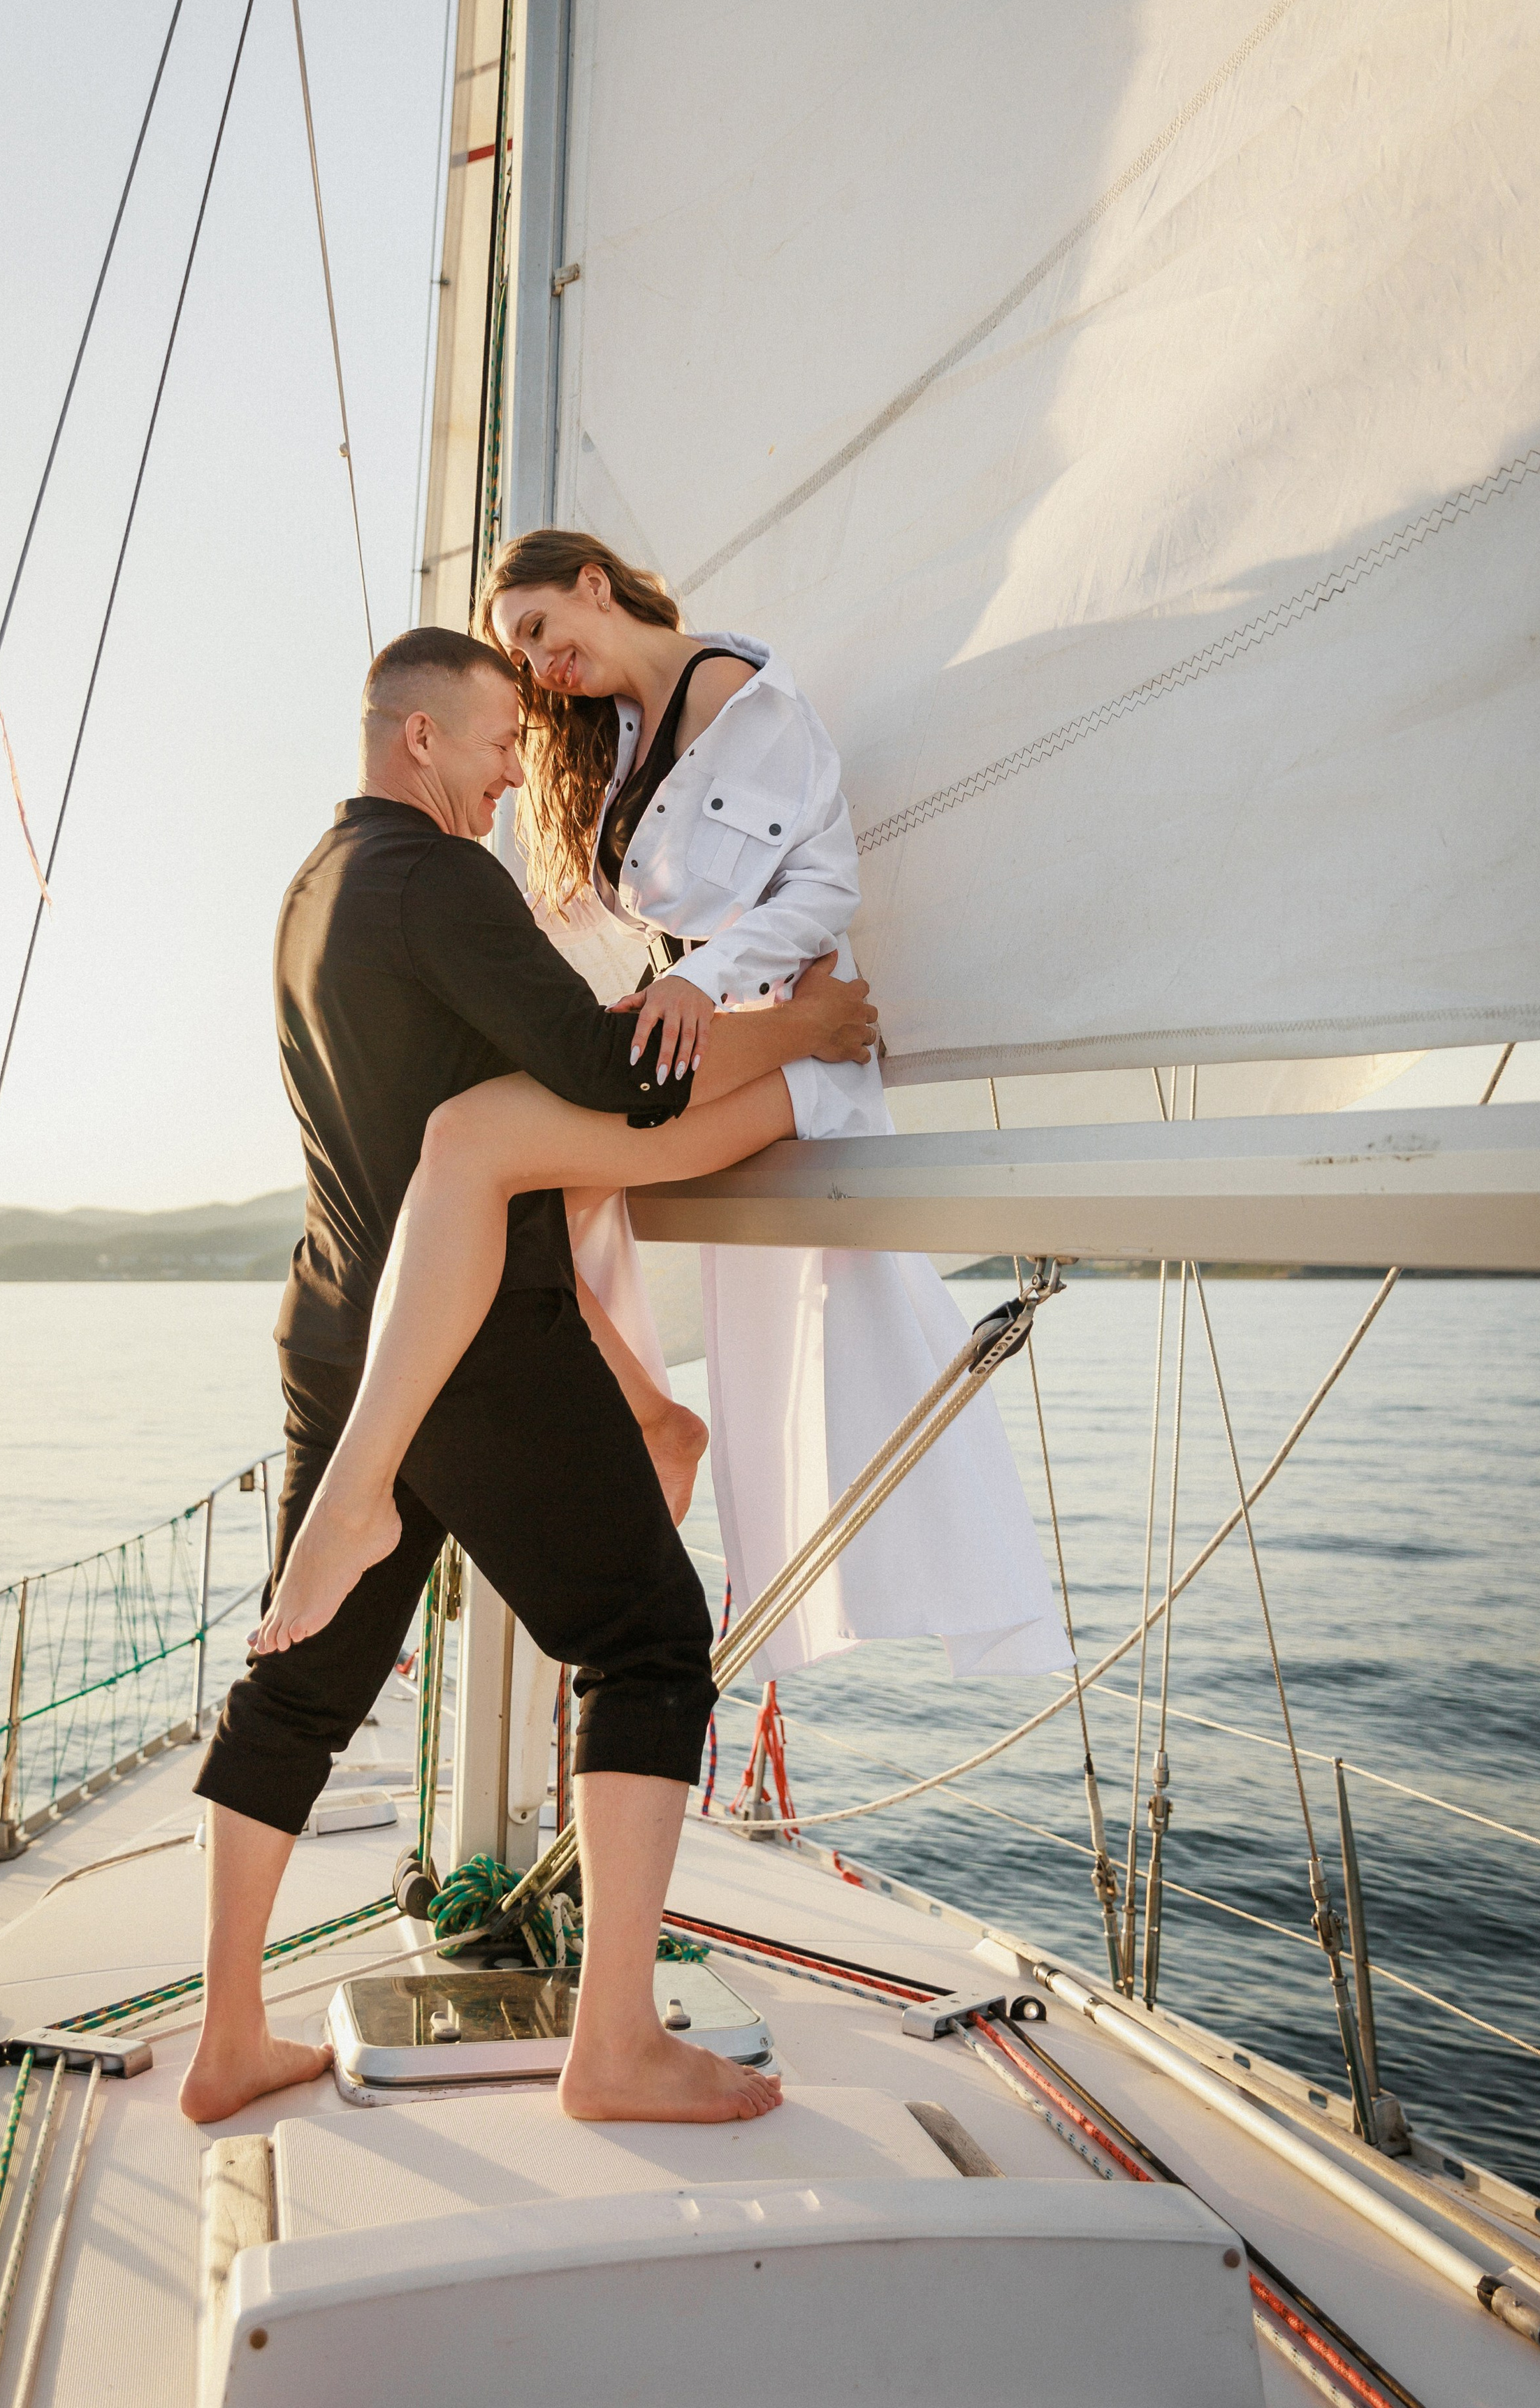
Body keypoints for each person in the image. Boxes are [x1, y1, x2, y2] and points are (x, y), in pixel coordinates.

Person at [183, 625, 876, 2129]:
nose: (514, 773)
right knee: (647, 1643)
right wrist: (803, 1031)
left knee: (299, 1684)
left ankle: (226, 2039)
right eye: (500, 741)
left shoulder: (312, 888)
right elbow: (607, 1071)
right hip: (470, 1345)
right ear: (419, 737)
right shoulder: (437, 876)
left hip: (334, 1317)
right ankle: (614, 2047)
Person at [256, 536, 1070, 1691]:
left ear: (594, 582)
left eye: (537, 629)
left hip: (774, 1049)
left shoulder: (748, 700)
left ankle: (368, 1490)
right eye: (519, 656)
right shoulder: (619, 746)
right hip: (684, 1055)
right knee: (511, 1204)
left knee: (475, 1147)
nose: (540, 665)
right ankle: (645, 1425)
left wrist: (706, 989)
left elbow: (823, 886)